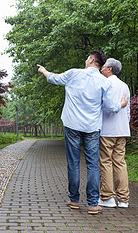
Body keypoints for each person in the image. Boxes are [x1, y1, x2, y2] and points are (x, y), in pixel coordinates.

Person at [37, 50, 128, 215]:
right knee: (93, 164)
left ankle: (74, 200)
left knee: (73, 163)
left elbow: (53, 78)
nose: (86, 60)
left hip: (72, 126)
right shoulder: (104, 82)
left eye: (87, 57)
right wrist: (121, 104)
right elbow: (110, 107)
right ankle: (93, 204)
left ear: (91, 60)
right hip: (92, 128)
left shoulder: (73, 74)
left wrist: (44, 71)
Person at [98, 58, 131, 208]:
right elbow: (128, 111)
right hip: (122, 129)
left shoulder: (106, 84)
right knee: (120, 163)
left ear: (109, 69)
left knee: (105, 162)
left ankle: (107, 197)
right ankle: (124, 199)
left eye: (104, 66)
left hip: (107, 130)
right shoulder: (125, 86)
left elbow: (106, 107)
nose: (101, 68)